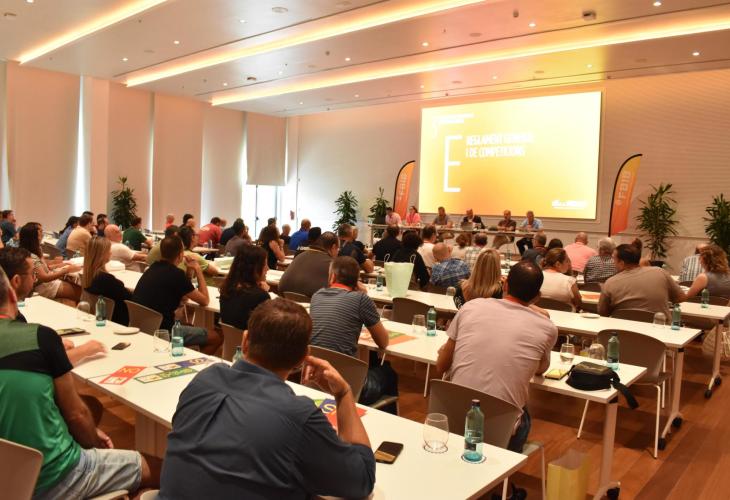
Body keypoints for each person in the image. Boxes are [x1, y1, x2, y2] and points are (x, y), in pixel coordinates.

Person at [159, 298, 375, 499]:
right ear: (302, 358)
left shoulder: (204, 380)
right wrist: (343, 393)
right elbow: (362, 479)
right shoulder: (298, 415)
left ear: (245, 341)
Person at [0, 266, 160, 499]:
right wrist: (92, 440)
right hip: (54, 477)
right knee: (159, 468)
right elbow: (76, 415)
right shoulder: (38, 337)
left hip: (7, 484)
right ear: (12, 294)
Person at [436, 261, 558, 452]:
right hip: (501, 429)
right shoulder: (547, 328)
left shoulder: (470, 308)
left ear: (505, 284)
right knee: (524, 412)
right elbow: (540, 370)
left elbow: (441, 366)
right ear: (537, 296)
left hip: (454, 416)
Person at [310, 256, 398, 407]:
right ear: (357, 280)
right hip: (348, 386)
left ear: (332, 277)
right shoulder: (361, 300)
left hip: (315, 379)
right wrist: (365, 296)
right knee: (388, 372)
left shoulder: (317, 296)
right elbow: (383, 342)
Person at [0, 247, 106, 365]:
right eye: (33, 273)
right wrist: (86, 349)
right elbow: (37, 363)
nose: (35, 279)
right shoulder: (17, 326)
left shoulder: (13, 319)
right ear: (16, 281)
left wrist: (50, 346)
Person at [132, 236, 222, 354]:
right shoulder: (176, 274)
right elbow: (205, 300)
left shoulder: (151, 268)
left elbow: (185, 294)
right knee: (216, 336)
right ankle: (193, 361)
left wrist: (189, 271)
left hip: (144, 327)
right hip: (165, 331)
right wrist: (198, 269)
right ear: (180, 255)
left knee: (189, 325)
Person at [598, 244, 685, 318]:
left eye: (614, 259)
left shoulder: (610, 283)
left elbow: (603, 313)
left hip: (623, 330)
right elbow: (680, 298)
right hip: (659, 329)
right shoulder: (660, 272)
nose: (613, 263)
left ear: (622, 263)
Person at [19, 222, 81, 305]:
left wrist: (59, 264)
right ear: (33, 236)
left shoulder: (35, 249)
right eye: (40, 231)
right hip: (43, 287)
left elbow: (44, 268)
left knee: (74, 287)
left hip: (46, 284)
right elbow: (44, 277)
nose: (42, 234)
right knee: (80, 292)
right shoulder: (31, 256)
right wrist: (67, 270)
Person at [82, 236, 133, 325]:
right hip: (120, 321)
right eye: (108, 250)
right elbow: (130, 299)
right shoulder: (106, 280)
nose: (110, 252)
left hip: (104, 318)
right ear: (101, 254)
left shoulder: (88, 276)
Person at [219, 245, 271, 330]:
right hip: (250, 338)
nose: (268, 268)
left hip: (229, 337)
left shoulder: (227, 288)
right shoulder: (260, 296)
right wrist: (265, 292)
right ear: (254, 268)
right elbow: (266, 329)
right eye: (265, 264)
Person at [279, 232, 339, 298]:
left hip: (285, 298)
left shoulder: (300, 256)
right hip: (313, 301)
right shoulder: (332, 263)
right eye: (338, 249)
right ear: (333, 247)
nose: (338, 252)